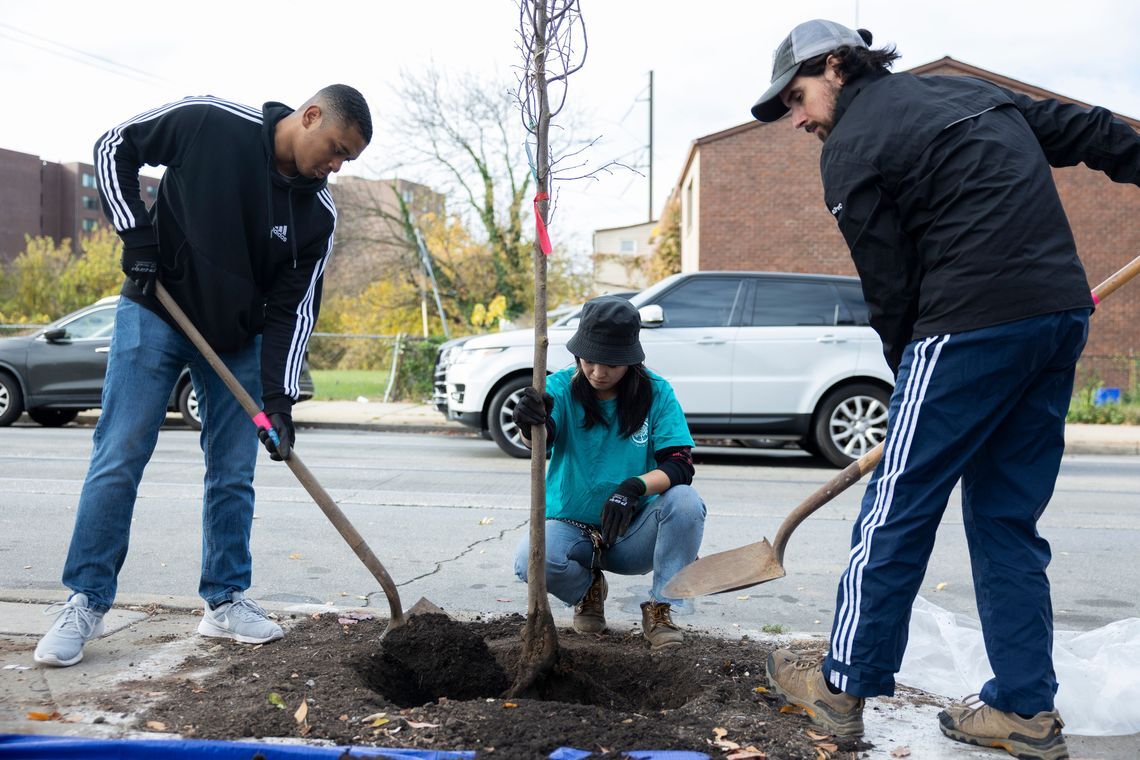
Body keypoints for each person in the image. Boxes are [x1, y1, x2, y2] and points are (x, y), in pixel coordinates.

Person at [748, 18, 1139, 759]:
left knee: (897, 504)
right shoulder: (973, 96)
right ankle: (1024, 711)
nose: (796, 120)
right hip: (1056, 316)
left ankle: (842, 683)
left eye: (796, 99)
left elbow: (890, 289)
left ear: (837, 66)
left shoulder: (853, 150)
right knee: (1005, 519)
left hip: (966, 326)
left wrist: (913, 388)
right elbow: (1089, 130)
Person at [34, 85, 372, 667]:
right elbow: (114, 145)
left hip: (237, 339)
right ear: (310, 116)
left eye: (349, 160)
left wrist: (278, 402)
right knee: (119, 454)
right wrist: (136, 234)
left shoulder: (317, 214)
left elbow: (292, 313)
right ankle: (86, 598)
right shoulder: (211, 123)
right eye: (337, 149)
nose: (337, 166)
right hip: (156, 309)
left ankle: (224, 600)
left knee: (233, 472)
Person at [511, 296, 706, 650]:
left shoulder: (656, 393)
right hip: (573, 530)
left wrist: (633, 487)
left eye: (611, 364)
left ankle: (661, 607)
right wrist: (528, 422)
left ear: (630, 360)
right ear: (578, 354)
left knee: (686, 502)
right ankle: (588, 589)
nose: (598, 373)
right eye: (590, 361)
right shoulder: (558, 388)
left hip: (632, 532)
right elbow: (540, 438)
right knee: (530, 561)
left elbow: (680, 464)